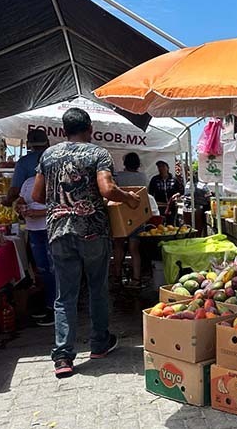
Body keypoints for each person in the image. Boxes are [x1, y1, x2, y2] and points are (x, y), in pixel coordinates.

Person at [32, 107, 140, 378]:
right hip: (92, 232)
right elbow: (106, 189)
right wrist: (129, 198)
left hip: (58, 232)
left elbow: (37, 194)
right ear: (89, 127)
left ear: (64, 130)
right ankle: (99, 344)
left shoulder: (48, 155)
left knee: (65, 295)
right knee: (97, 289)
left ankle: (63, 358)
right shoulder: (98, 153)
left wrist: (61, 204)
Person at [16, 173, 55, 326]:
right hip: (33, 230)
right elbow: (21, 199)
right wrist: (20, 207)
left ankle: (55, 307)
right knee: (42, 269)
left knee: (53, 269)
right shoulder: (28, 181)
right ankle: (50, 305)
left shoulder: (54, 181)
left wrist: (37, 213)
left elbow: (59, 206)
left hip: (50, 228)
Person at [111, 152, 149, 288]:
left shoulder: (118, 177)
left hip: (120, 216)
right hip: (138, 216)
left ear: (125, 163)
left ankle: (117, 277)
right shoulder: (142, 177)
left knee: (118, 246)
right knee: (134, 249)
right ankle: (136, 279)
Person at [4, 130, 50, 207]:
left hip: (31, 210)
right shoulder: (56, 158)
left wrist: (7, 202)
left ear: (28, 144)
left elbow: (15, 190)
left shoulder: (23, 162)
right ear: (48, 142)